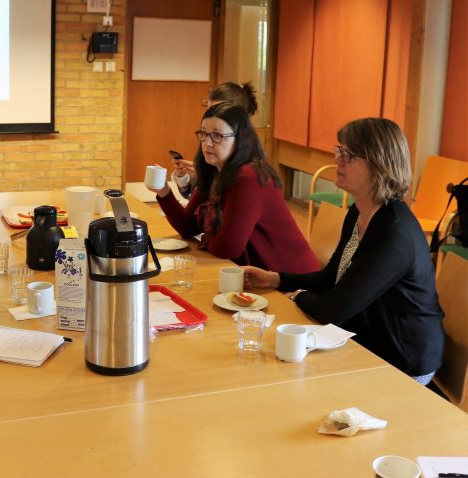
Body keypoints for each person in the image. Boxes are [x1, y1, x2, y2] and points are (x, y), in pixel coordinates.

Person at [242, 118, 444, 383]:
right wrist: (276, 279)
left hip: (403, 359)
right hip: (369, 339)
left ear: (378, 164)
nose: (337, 160)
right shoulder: (359, 211)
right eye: (339, 151)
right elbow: (331, 278)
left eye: (347, 155)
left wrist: (298, 295)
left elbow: (335, 309)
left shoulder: (394, 231)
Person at [148, 102, 318, 273]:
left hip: (288, 280)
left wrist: (206, 238)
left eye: (217, 136)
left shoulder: (247, 177)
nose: (207, 143)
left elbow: (227, 248)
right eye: (204, 134)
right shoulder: (213, 170)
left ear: (240, 139)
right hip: (249, 274)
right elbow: (188, 227)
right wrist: (164, 191)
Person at [172, 81, 259, 199]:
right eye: (209, 111)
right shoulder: (208, 141)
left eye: (220, 111)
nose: (212, 116)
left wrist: (207, 179)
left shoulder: (249, 172)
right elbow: (193, 199)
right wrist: (186, 178)